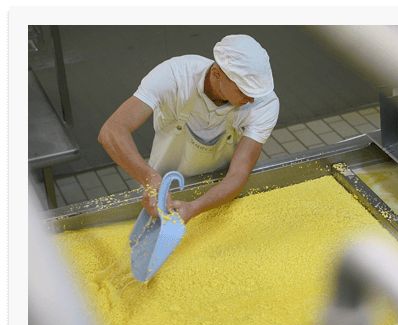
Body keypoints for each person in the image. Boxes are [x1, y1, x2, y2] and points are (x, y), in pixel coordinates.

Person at [98, 34, 279, 224]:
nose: (251, 99)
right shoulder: (174, 77)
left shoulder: (264, 103)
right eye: (244, 91)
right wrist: (150, 181)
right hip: (161, 187)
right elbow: (112, 130)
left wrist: (195, 207)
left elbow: (238, 173)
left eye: (256, 93)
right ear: (217, 73)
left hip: (221, 192)